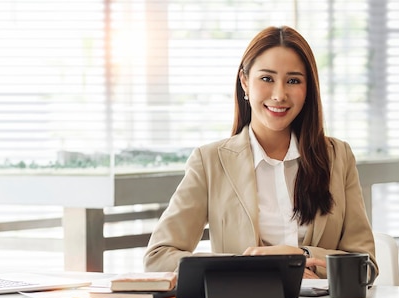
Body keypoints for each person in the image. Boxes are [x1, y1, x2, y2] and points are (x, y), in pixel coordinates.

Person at [143, 26, 376, 279]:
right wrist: (249, 268)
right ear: (245, 81)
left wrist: (303, 256)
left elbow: (367, 267)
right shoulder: (210, 162)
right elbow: (158, 257)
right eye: (267, 79)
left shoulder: (337, 157)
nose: (279, 94)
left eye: (293, 81)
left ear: (308, 89)